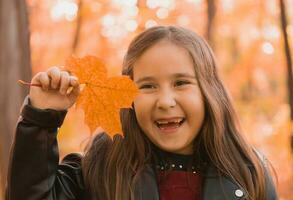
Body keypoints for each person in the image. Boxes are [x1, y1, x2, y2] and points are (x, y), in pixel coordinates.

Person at [6, 25, 278, 200]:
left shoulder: (249, 171)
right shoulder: (101, 168)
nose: (165, 101)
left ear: (210, 91)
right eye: (147, 86)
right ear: (129, 97)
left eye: (181, 83)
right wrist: (41, 119)